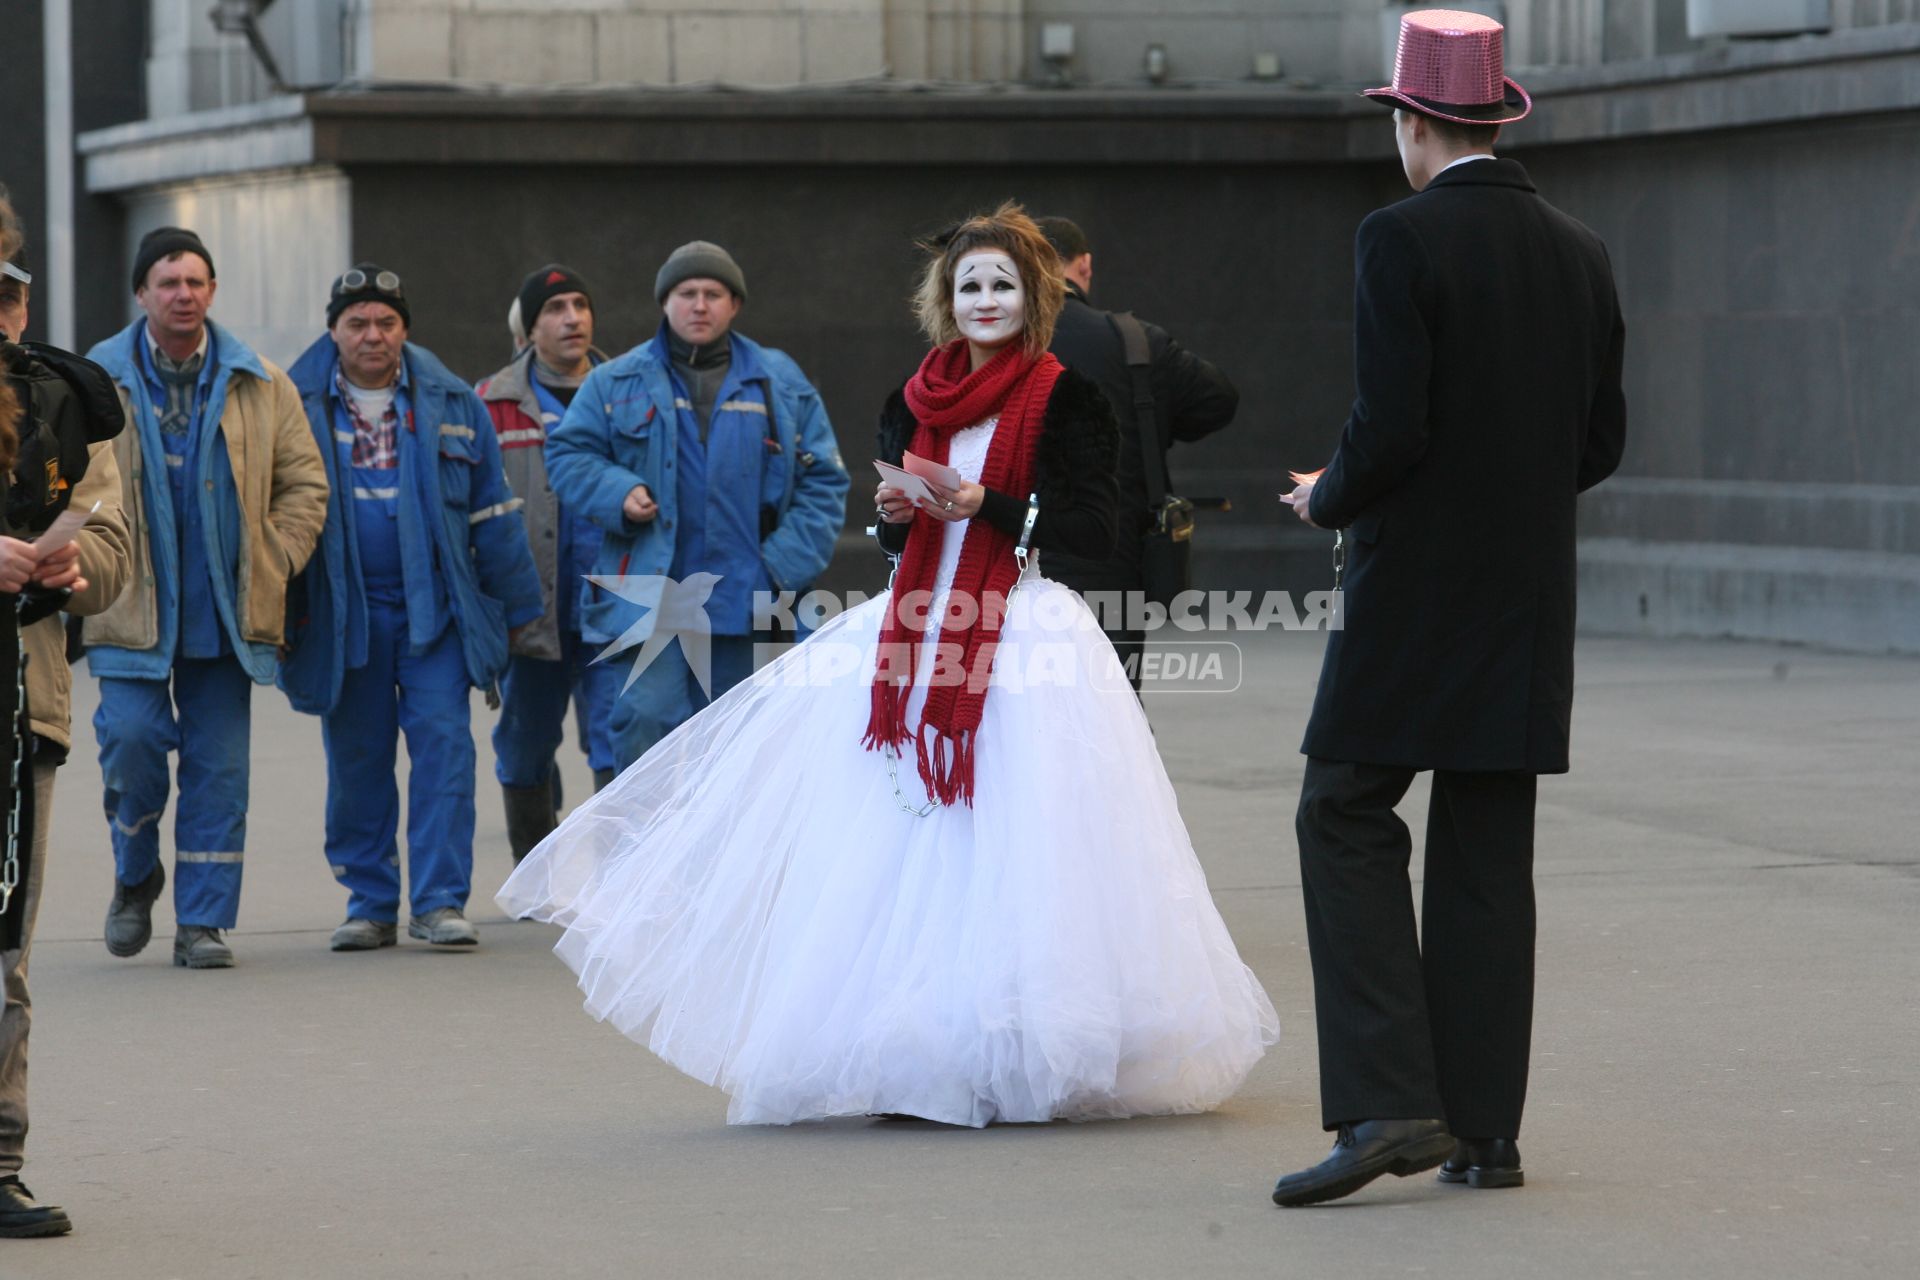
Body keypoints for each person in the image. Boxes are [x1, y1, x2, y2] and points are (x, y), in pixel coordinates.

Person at [500, 203, 1276, 1127]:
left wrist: (986, 500)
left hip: (1016, 631)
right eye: (969, 285)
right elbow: (886, 517)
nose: (985, 299)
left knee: (1020, 844)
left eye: (1004, 285)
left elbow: (1089, 528)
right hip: (912, 631)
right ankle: (913, 1043)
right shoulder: (914, 396)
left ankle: (1017, 1042)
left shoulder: (1067, 395)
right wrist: (898, 515)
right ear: (944, 300)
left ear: (1035, 297)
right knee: (904, 845)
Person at [1271, 10, 1625, 1207]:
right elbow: (1600, 440)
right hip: (1525, 597)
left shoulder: (1398, 236)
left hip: (1411, 589)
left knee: (1343, 811)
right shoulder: (1581, 248)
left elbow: (1392, 426)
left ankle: (1386, 1101)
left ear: (1414, 123)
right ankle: (1485, 1132)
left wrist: (1329, 497)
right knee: (1486, 851)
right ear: (1495, 114)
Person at [83, 226, 330, 970]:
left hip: (226, 616)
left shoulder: (262, 381)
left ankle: (203, 923)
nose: (183, 295)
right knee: (130, 748)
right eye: (168, 283)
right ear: (141, 294)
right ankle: (135, 877)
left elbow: (304, 486)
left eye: (195, 282)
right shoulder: (96, 380)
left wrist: (275, 558)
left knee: (220, 771)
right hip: (127, 608)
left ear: (213, 291)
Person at [283, 265, 543, 950]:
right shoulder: (292, 403)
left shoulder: (455, 402)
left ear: (404, 329)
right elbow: (268, 516)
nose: (373, 336)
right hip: (344, 615)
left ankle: (438, 902)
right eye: (357, 323)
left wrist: (518, 611)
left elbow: (495, 515)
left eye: (386, 323)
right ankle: (368, 904)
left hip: (437, 613)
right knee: (358, 759)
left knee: (444, 753)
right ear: (333, 330)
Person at [543, 240, 849, 773]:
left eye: (714, 293)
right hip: (651, 600)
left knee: (737, 754)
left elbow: (823, 479)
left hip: (747, 600)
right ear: (665, 302)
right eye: (687, 293)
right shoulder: (615, 381)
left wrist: (781, 566)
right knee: (643, 728)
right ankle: (641, 858)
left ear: (734, 304)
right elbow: (568, 453)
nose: (699, 305)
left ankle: (726, 859)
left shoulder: (780, 381)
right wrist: (616, 491)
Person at [0, 188, 133, 1237]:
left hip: (21, 707)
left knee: (5, 950)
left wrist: (74, 564)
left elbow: (117, 552)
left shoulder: (69, 400)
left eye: (9, 292)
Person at [1033, 216, 1240, 691]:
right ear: (1083, 266)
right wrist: (1151, 423)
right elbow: (1217, 400)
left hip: (1014, 558)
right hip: (1112, 556)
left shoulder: (995, 344)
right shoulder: (1133, 342)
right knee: (1113, 709)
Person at [477, 265, 621, 861]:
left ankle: (624, 875)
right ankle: (535, 869)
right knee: (525, 742)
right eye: (555, 308)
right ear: (529, 328)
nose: (572, 318)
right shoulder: (491, 403)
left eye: (580, 305)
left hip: (614, 604)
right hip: (529, 609)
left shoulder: (626, 390)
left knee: (619, 737)